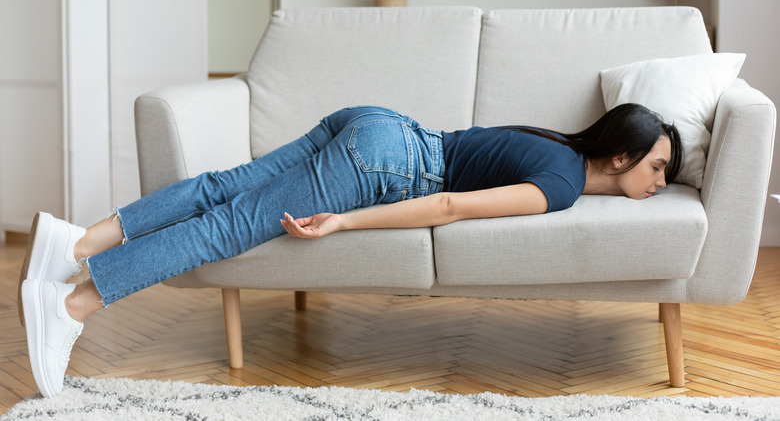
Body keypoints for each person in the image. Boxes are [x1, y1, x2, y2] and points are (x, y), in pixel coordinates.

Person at [18, 103, 682, 398]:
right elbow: (448, 204)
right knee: (228, 229)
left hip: (378, 122)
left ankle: (76, 242)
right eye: (657, 169)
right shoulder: (562, 184)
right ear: (620, 156)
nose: (659, 183)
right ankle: (72, 306)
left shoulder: (556, 148)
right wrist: (345, 222)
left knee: (223, 190)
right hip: (384, 165)